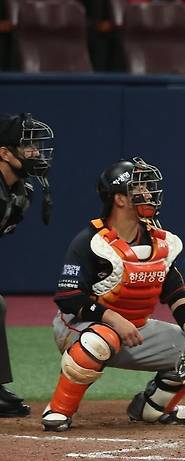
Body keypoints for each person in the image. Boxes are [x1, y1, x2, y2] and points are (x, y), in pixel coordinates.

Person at [41, 157, 185, 432]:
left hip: (136, 329)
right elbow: (68, 299)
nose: (148, 194)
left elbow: (176, 292)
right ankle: (59, 408)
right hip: (79, 329)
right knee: (102, 339)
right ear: (120, 199)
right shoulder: (91, 242)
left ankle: (153, 408)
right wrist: (113, 318)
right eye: (139, 189)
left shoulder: (159, 241)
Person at [0, 113, 54, 418]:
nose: (35, 151)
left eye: (36, 144)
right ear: (4, 153)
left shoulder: (22, 192)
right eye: (26, 145)